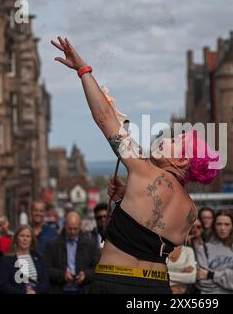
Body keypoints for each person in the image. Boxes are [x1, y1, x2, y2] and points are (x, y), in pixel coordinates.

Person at [50, 37, 222, 294]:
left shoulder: (145, 171)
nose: (167, 139)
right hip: (156, 286)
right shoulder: (191, 211)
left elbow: (104, 118)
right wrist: (125, 198)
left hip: (116, 283)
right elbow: (148, 235)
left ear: (183, 159)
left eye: (175, 141)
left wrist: (83, 70)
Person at [44, 211, 99, 294]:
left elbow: (97, 268)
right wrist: (63, 275)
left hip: (83, 289)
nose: (72, 232)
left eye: (75, 229)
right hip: (60, 289)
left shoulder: (91, 244)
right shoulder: (52, 245)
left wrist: (85, 275)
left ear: (80, 226)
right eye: (70, 228)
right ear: (64, 225)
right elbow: (46, 269)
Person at [195, 210, 233, 294]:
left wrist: (211, 275)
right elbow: (202, 282)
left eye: (227, 224)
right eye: (219, 224)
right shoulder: (203, 249)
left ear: (232, 226)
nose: (222, 228)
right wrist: (229, 280)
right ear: (214, 226)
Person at [0, 225, 50, 294]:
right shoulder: (6, 260)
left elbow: (45, 282)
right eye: (22, 236)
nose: (25, 239)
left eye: (28, 236)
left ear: (32, 239)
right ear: (16, 238)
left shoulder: (39, 258)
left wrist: (35, 292)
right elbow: (4, 285)